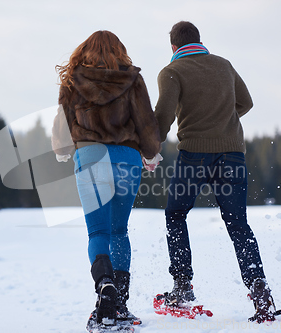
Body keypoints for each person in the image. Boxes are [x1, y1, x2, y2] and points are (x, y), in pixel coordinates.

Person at [148, 21, 281, 322]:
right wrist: (220, 118)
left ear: (173, 47)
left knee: (176, 214)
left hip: (194, 155)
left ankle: (182, 286)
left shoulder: (171, 72)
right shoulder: (223, 65)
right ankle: (261, 293)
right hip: (232, 154)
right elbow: (245, 102)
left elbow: (164, 117)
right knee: (238, 225)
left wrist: (148, 146)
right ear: (199, 40)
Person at [52, 30, 162, 330]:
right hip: (127, 160)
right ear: (119, 51)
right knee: (119, 231)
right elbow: (147, 124)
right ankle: (121, 303)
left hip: (89, 158)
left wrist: (63, 149)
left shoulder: (73, 80)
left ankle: (105, 288)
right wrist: (151, 153)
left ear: (85, 50)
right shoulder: (132, 79)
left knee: (98, 232)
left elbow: (62, 127)